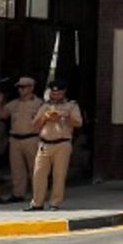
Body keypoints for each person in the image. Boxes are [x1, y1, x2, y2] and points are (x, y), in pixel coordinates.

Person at [26, 80, 82, 211]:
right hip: (45, 143)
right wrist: (45, 118)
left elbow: (78, 123)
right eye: (53, 92)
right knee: (38, 173)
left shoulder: (71, 106)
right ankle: (37, 203)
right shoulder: (45, 106)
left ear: (63, 92)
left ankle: (55, 203)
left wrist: (64, 117)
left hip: (62, 143)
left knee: (59, 174)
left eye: (58, 93)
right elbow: (34, 126)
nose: (56, 95)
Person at [1, 76, 43, 203]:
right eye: (19, 87)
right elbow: (2, 115)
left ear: (31, 88)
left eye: (23, 87)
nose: (20, 89)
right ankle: (18, 193)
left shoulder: (39, 104)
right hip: (15, 140)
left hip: (32, 138)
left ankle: (38, 194)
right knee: (16, 168)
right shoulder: (14, 104)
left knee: (35, 168)